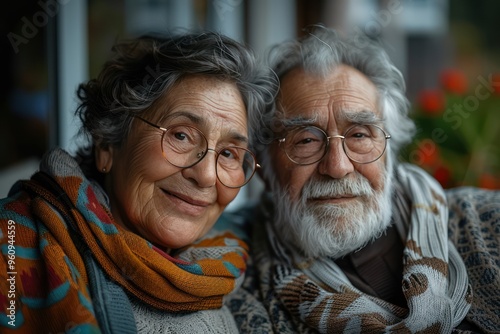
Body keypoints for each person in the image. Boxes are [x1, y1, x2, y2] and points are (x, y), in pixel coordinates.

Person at [0, 31, 276, 333]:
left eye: (228, 153)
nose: (206, 175)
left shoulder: (235, 264)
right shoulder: (10, 246)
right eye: (181, 135)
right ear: (108, 144)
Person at [228, 26, 500, 333]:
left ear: (390, 152)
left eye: (359, 134)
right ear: (264, 165)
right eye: (305, 140)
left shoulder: (489, 225)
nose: (338, 166)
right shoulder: (236, 290)